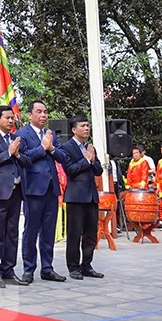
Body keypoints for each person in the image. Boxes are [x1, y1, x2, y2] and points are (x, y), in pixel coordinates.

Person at [0, 104, 32, 288]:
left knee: (12, 233)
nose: (11, 121)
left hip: (15, 192)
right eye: (7, 118)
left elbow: (27, 161)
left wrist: (17, 154)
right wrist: (8, 153)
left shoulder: (16, 139)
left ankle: (9, 270)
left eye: (12, 118)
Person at [17, 99, 66, 283]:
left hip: (51, 189)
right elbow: (23, 158)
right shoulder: (22, 134)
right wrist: (42, 148)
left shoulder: (50, 134)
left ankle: (47, 268)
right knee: (31, 230)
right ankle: (29, 269)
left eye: (45, 112)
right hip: (33, 189)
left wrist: (51, 147)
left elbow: (62, 157)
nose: (44, 115)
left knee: (48, 230)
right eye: (39, 112)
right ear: (30, 115)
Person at [58, 115, 102, 280]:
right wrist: (86, 160)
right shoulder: (66, 148)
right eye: (83, 126)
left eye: (87, 125)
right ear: (74, 129)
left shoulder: (90, 147)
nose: (86, 128)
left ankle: (87, 265)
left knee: (91, 234)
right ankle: (73, 267)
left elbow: (98, 170)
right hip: (76, 197)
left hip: (91, 196)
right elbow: (70, 169)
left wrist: (92, 160)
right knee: (75, 233)